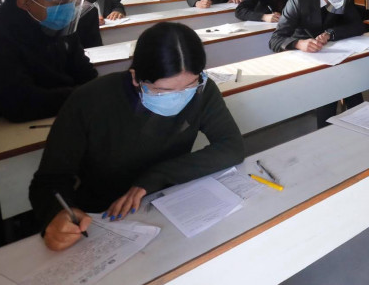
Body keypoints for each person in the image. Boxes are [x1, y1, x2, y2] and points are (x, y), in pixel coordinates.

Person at [29, 22, 244, 251]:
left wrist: (156, 176)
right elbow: (49, 180)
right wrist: (57, 215)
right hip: (104, 215)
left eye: (189, 87)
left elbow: (231, 146)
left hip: (170, 201)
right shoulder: (90, 101)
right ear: (135, 77)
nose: (180, 97)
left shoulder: (203, 89)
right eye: (163, 91)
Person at [269, 0, 365, 127]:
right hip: (308, 59)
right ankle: (326, 130)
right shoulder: (299, 1)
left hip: (335, 57)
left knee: (353, 87)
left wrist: (330, 34)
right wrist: (299, 44)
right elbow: (275, 39)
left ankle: (360, 126)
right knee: (328, 92)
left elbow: (358, 26)